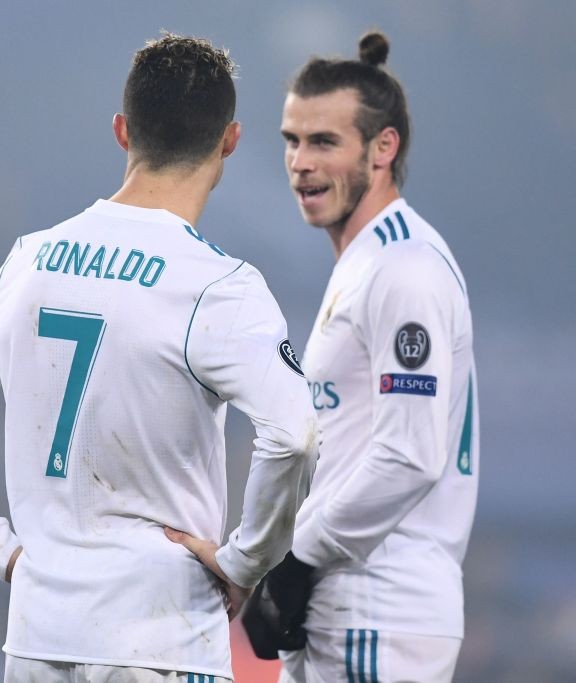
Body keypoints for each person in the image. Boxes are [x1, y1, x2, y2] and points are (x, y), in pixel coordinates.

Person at [0, 34, 318, 683]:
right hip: (160, 637)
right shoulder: (218, 286)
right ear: (230, 140)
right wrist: (244, 561)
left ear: (121, 131)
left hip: (36, 637)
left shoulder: (29, 260)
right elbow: (295, 435)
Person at [240, 31, 480, 683]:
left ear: (383, 148)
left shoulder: (404, 269)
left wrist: (298, 565)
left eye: (324, 142)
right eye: (292, 139)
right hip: (347, 607)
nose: (300, 162)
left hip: (379, 606)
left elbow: (409, 454)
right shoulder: (366, 260)